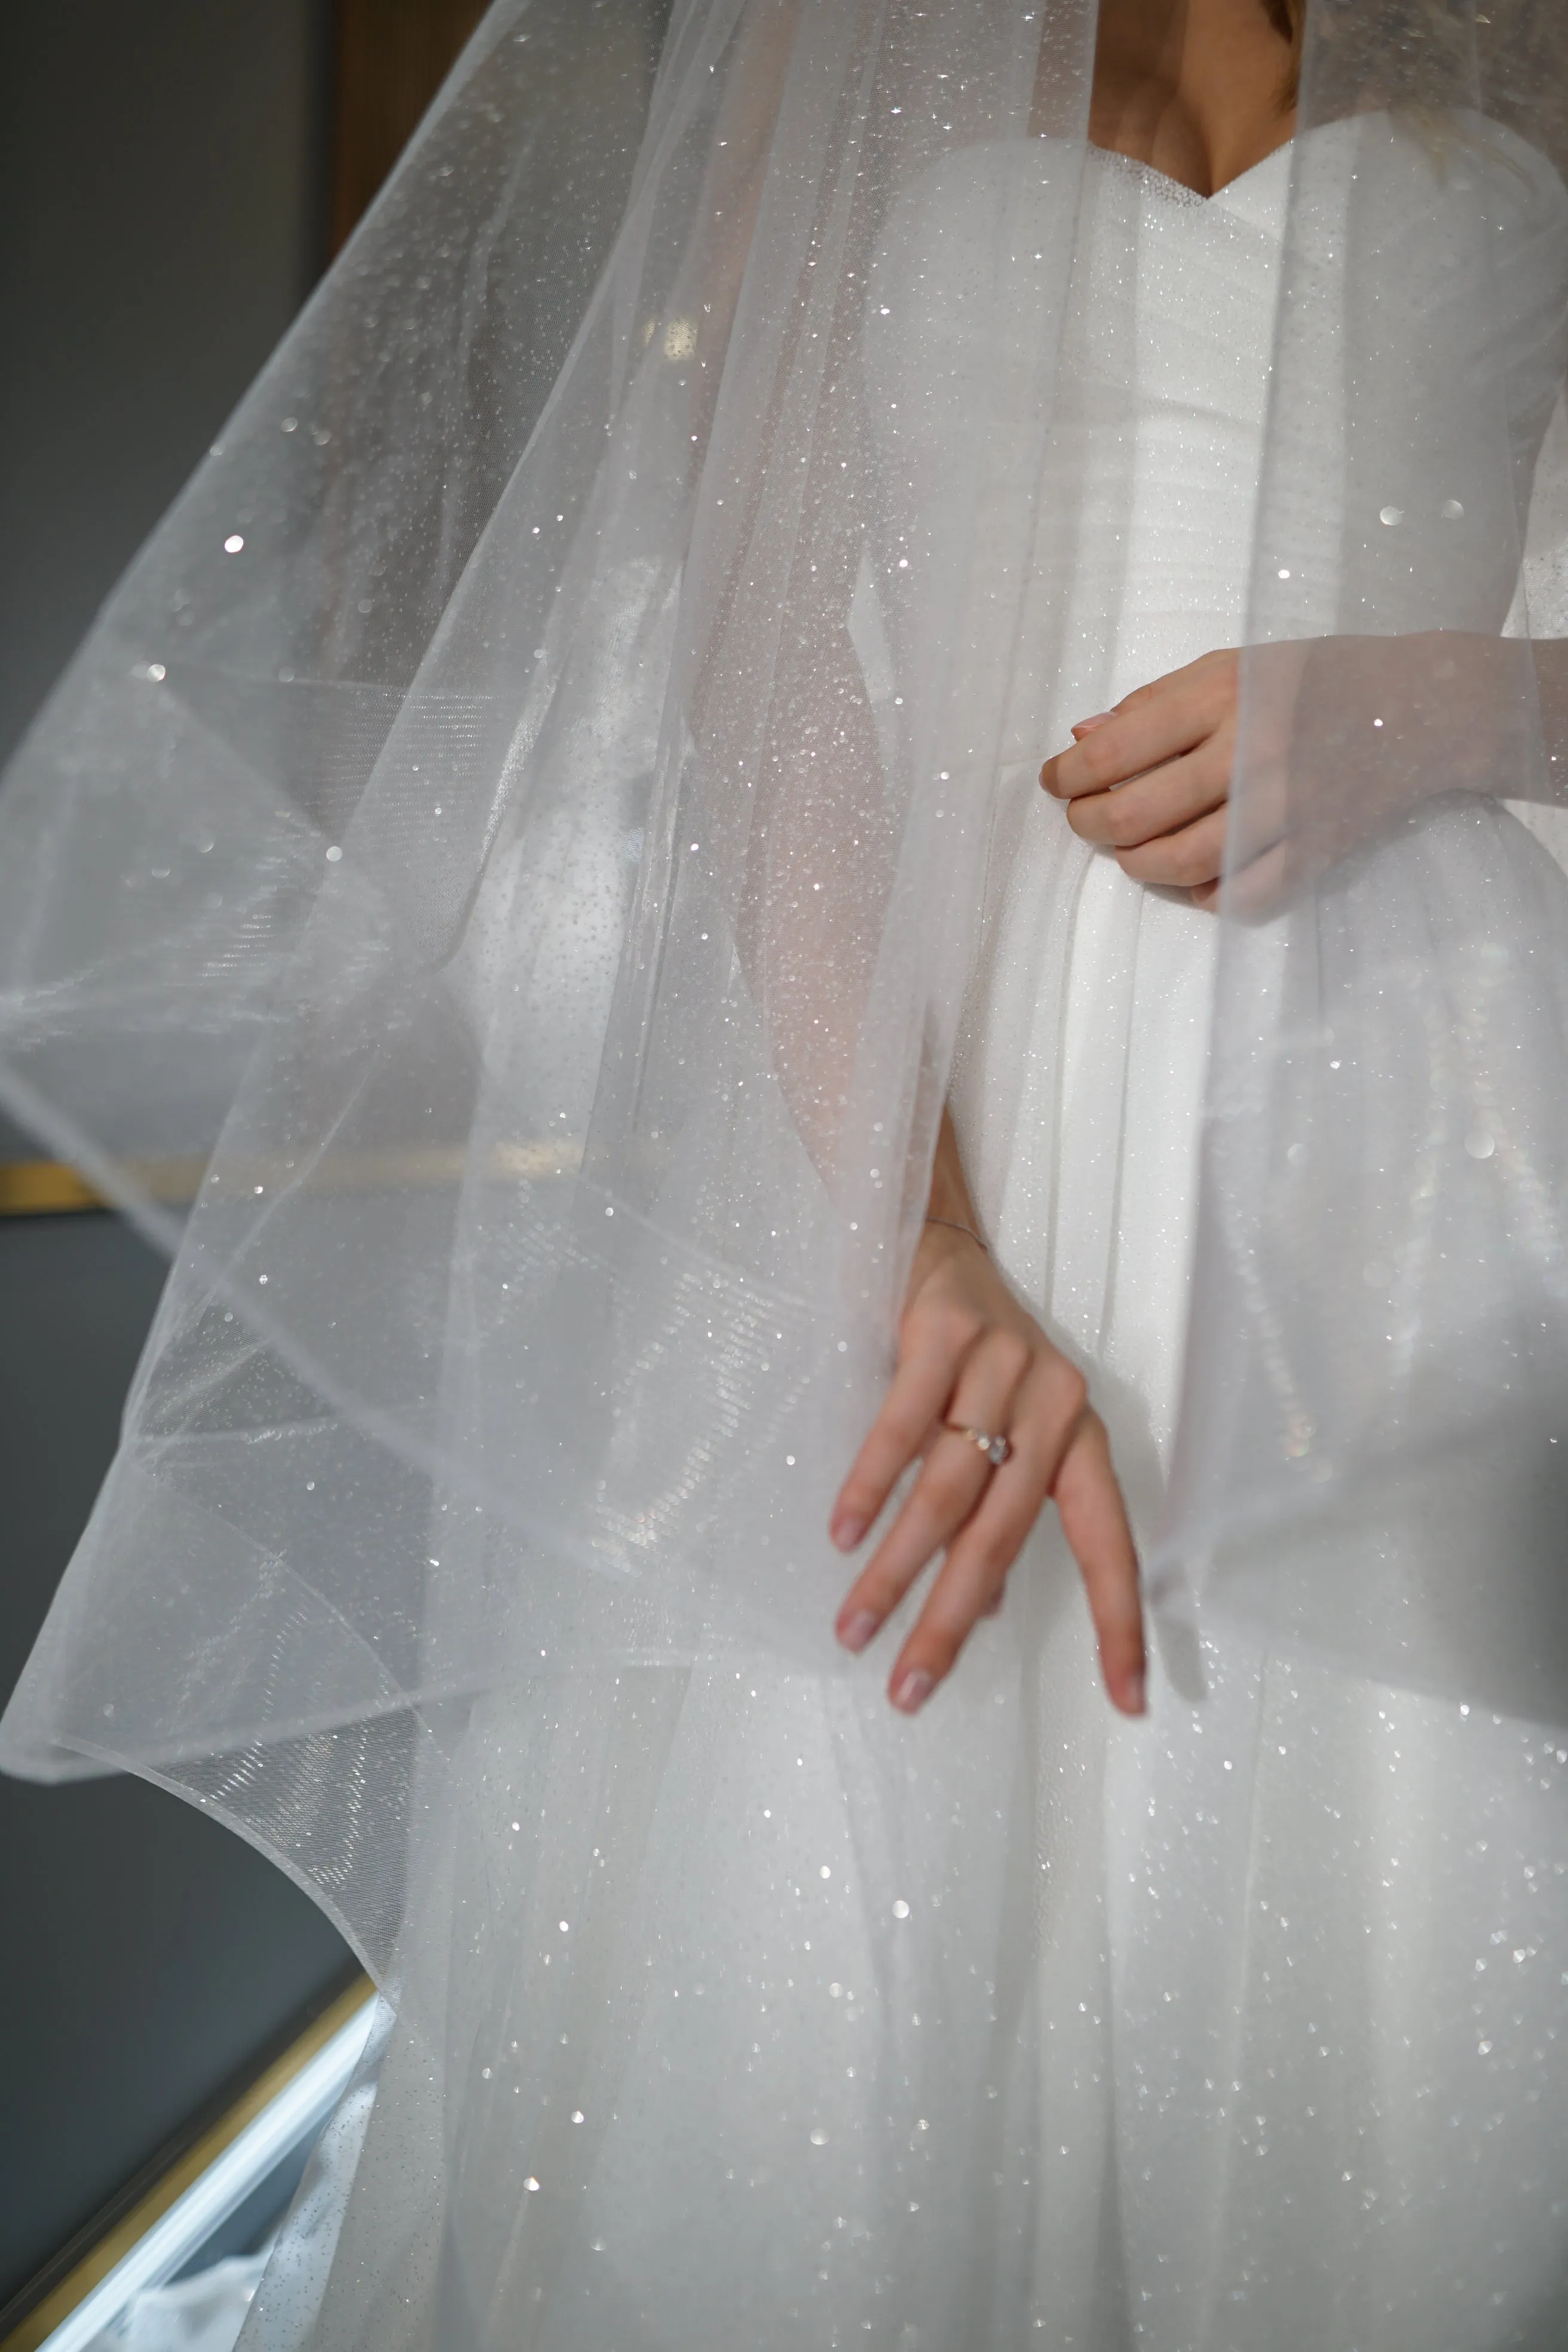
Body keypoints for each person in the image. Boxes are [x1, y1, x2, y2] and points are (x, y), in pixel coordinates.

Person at [3, 1, 1567, 2345]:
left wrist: (1463, 701)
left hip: (1452, 1120)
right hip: (961, 1100)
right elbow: (775, 677)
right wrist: (903, 1229)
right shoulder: (860, 39)